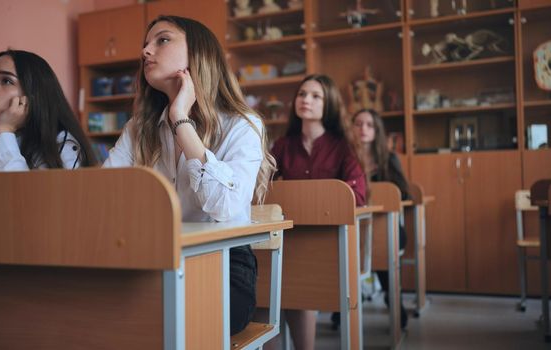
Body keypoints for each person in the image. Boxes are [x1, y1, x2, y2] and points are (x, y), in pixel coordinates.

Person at [102, 15, 276, 336]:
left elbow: (225, 207)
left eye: (162, 40)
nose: (145, 51)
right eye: (146, 43)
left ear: (198, 54)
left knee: (166, 317)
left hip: (222, 265)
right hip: (152, 257)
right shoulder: (139, 128)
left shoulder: (242, 125)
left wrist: (181, 119)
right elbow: (103, 193)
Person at [268, 74, 367, 350]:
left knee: (297, 282)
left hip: (328, 243)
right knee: (266, 285)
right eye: (302, 94)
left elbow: (356, 195)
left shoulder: (343, 146)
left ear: (329, 104)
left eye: (315, 96)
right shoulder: (282, 146)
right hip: (291, 240)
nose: (305, 100)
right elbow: (262, 190)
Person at [351, 108, 409, 329]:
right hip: (356, 228)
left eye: (369, 125)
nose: (363, 129)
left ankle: (393, 299)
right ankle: (344, 305)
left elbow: (402, 193)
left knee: (380, 245)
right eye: (358, 124)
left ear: (377, 131)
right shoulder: (346, 159)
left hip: (387, 228)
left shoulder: (388, 159)